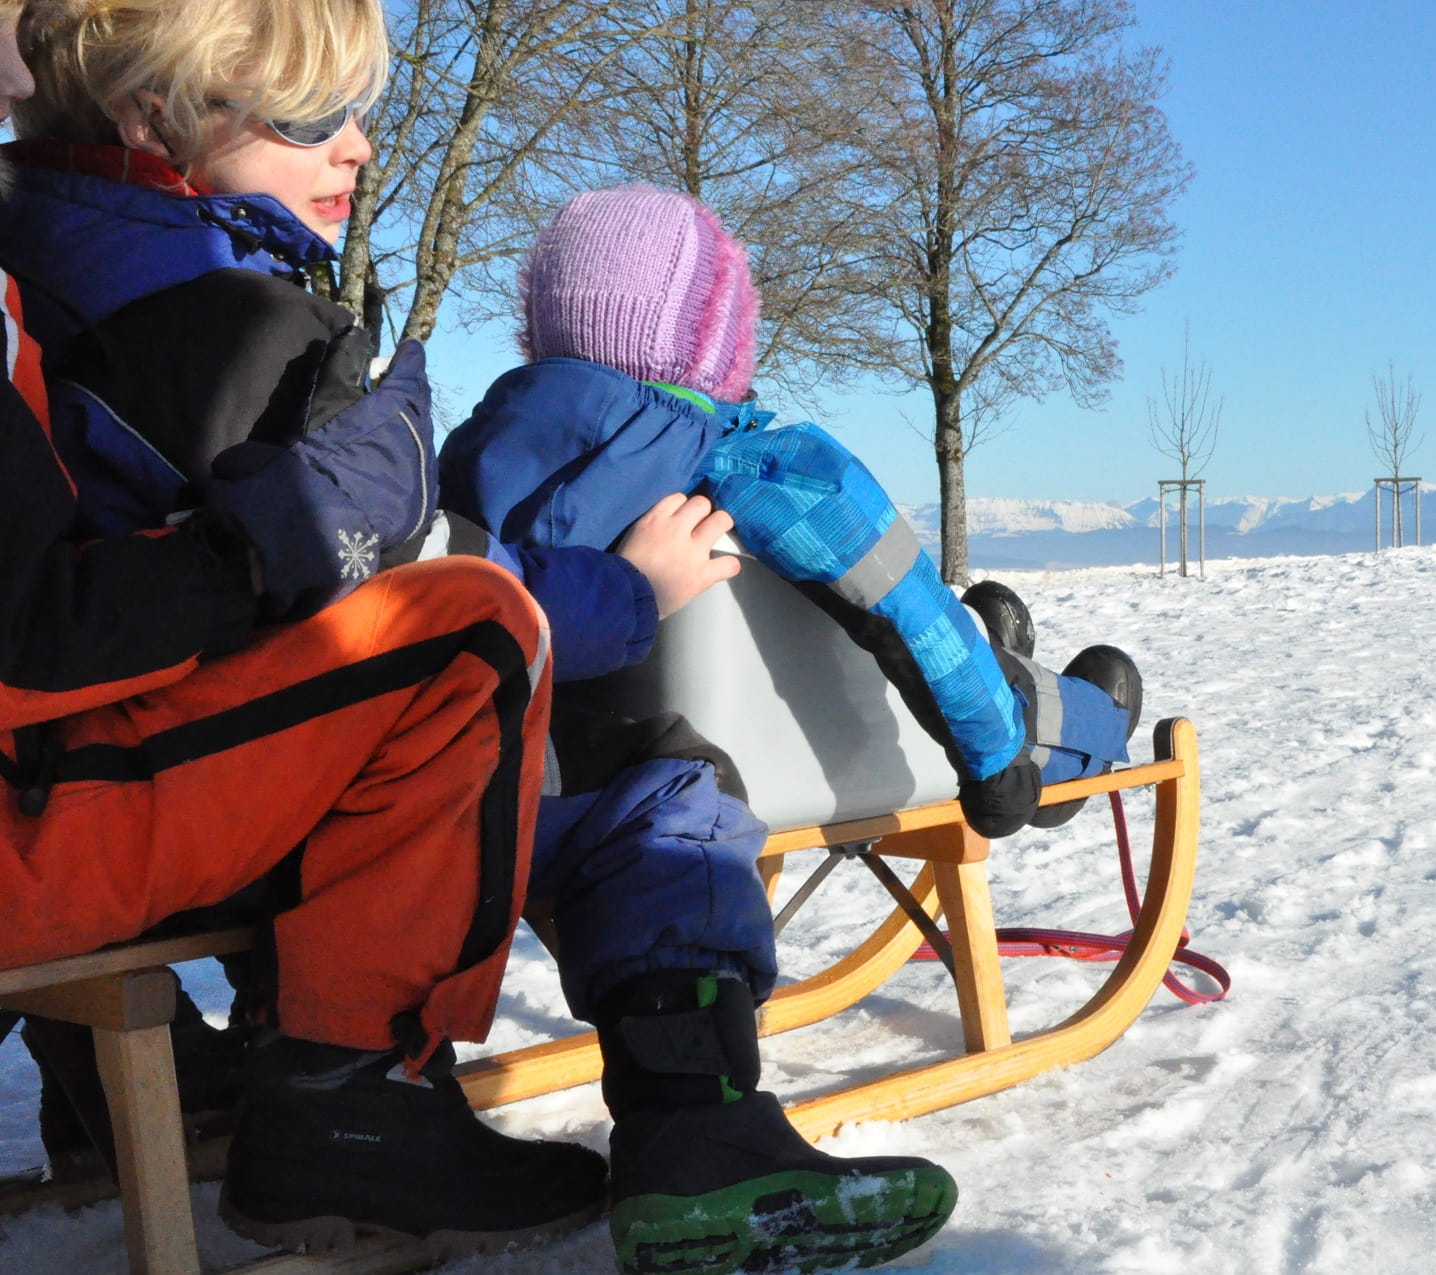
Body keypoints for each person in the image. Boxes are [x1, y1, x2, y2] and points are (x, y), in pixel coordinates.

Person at [0, 2, 956, 1272]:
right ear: (153, 110)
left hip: (118, 768)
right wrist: (628, 593)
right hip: (130, 805)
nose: (354, 149)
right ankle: (659, 1131)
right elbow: (399, 575)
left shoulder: (53, 255)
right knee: (635, 768)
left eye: (362, 114)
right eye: (307, 115)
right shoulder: (214, 316)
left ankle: (147, 1087)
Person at [439, 182, 1146, 841]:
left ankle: (995, 648)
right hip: (808, 756)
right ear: (712, 338)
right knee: (974, 666)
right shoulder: (756, 465)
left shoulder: (470, 465)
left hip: (563, 778)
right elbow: (907, 606)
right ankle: (1090, 727)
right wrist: (998, 768)